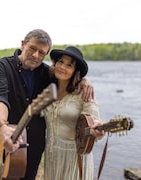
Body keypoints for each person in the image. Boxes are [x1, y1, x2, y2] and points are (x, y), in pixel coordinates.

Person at [0, 29, 94, 180]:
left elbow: (68, 78)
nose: (36, 55)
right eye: (32, 48)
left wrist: (84, 80)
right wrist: (3, 126)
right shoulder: (2, 66)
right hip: (2, 145)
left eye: (42, 53)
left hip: (33, 151)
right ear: (23, 44)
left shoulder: (47, 73)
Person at [41, 46, 105, 180]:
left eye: (69, 65)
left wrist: (97, 131)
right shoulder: (48, 88)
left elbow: (94, 125)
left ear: (76, 71)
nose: (62, 67)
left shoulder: (84, 93)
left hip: (75, 160)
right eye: (60, 62)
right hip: (52, 156)